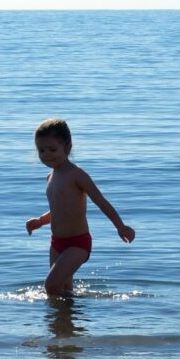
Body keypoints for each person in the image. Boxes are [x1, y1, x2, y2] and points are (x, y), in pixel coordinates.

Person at [26, 118, 135, 296]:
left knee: (51, 286)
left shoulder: (77, 175)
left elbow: (101, 201)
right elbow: (58, 210)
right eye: (41, 150)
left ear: (67, 147)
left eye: (52, 149)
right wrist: (40, 221)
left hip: (78, 243)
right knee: (63, 290)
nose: (47, 155)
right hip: (56, 243)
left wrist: (120, 226)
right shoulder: (50, 178)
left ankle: (75, 313)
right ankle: (65, 323)